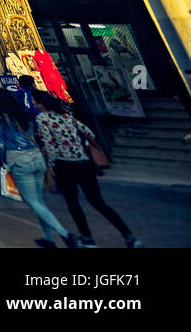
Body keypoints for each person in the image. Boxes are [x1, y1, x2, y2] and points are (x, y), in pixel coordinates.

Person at [33, 91, 141, 247]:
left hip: (65, 165)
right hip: (84, 163)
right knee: (99, 203)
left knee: (73, 203)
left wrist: (50, 166)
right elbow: (89, 133)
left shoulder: (42, 119)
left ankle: (87, 238)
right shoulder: (67, 117)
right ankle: (129, 236)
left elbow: (48, 145)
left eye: (35, 102)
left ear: (40, 104)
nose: (34, 105)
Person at [0, 88, 75, 248]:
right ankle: (48, 238)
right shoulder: (25, 113)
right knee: (39, 200)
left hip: (19, 160)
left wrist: (4, 162)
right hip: (37, 157)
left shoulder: (0, 117)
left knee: (32, 201)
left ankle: (64, 233)